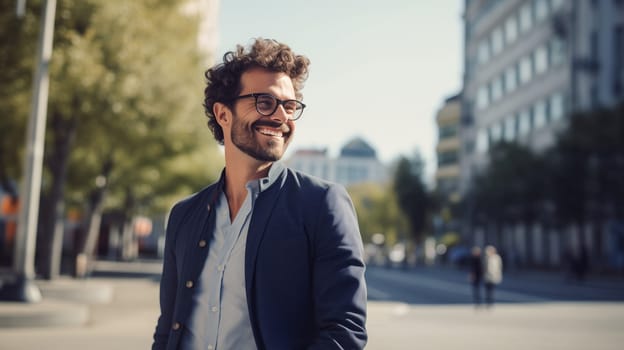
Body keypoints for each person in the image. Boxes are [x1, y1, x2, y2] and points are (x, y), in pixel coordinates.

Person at [152, 38, 368, 350]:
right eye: (265, 102)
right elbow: (168, 327)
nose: (282, 117)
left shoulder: (322, 205)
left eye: (290, 106)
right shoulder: (185, 215)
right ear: (223, 115)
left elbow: (344, 333)